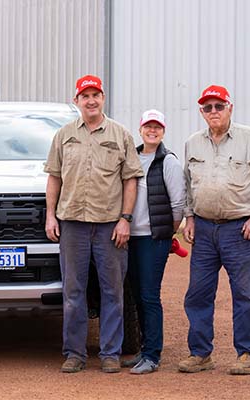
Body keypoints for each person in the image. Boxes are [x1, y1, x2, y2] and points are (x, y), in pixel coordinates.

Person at [44, 75, 144, 373]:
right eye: (84, 95)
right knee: (73, 292)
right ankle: (74, 353)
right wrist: (51, 215)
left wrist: (125, 219)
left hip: (108, 225)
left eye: (95, 95)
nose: (90, 100)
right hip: (72, 224)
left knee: (112, 291)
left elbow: (130, 180)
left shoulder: (120, 135)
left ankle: (110, 353)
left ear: (103, 99)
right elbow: (54, 177)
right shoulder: (63, 135)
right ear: (76, 101)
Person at [178, 85, 250, 375]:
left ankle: (248, 353)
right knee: (197, 294)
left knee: (244, 294)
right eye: (207, 107)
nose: (213, 112)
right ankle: (200, 353)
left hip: (240, 229)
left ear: (229, 108)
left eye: (218, 106)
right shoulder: (192, 143)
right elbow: (187, 185)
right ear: (201, 112)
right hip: (205, 230)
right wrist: (190, 218)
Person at [122, 109, 185, 374]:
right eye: (148, 126)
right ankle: (142, 350)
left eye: (157, 127)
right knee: (136, 295)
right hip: (130, 238)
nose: (152, 131)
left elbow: (179, 203)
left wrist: (165, 232)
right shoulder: (132, 157)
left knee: (149, 295)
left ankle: (152, 355)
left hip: (153, 238)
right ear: (140, 129)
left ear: (163, 131)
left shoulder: (167, 161)